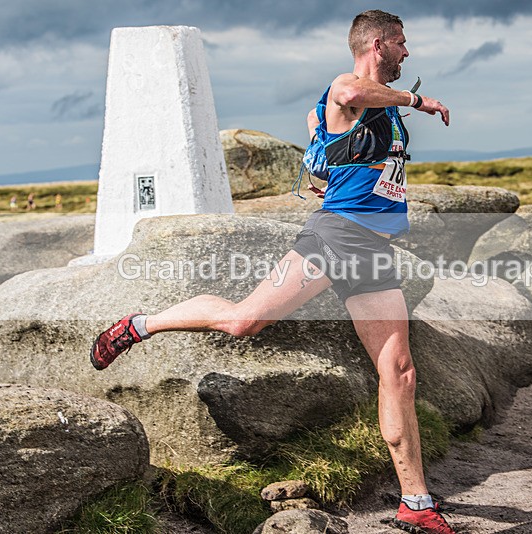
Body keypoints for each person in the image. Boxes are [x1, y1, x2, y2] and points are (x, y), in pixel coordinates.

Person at [89, 10, 454, 534]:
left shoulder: (382, 112)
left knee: (399, 374)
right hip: (334, 239)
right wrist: (419, 99)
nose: (407, 53)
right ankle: (140, 324)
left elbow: (327, 168)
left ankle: (416, 504)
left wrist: (334, 167)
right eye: (401, 43)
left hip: (374, 249)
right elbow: (349, 96)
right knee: (244, 321)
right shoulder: (344, 90)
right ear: (377, 44)